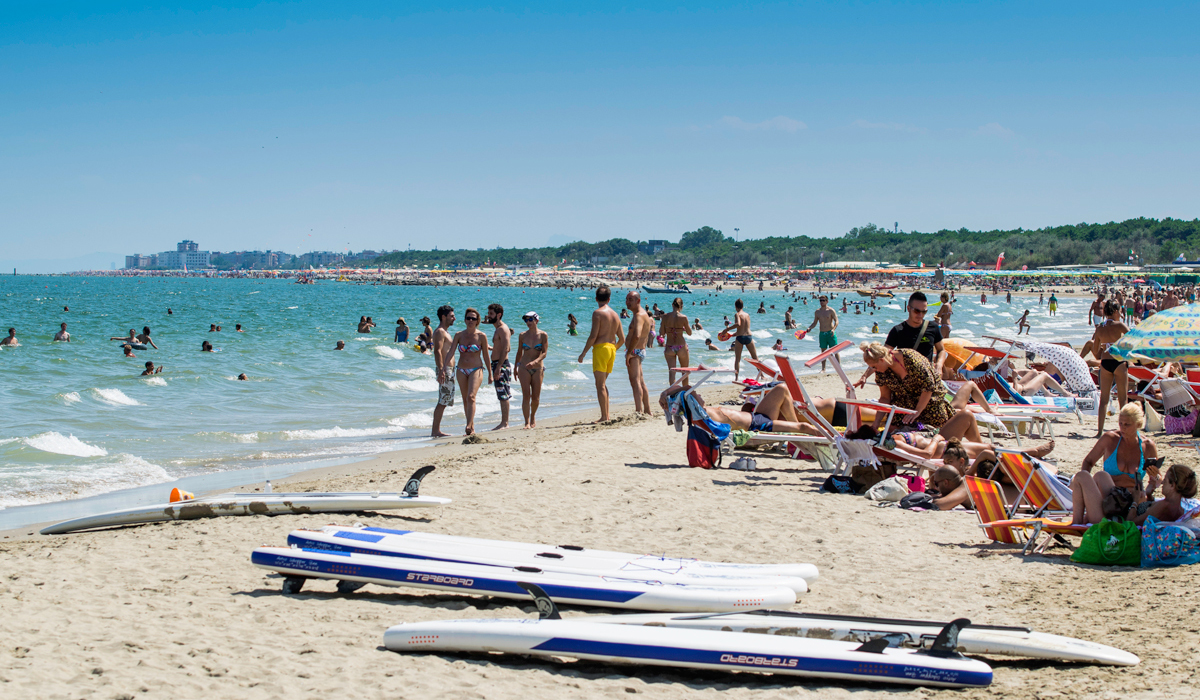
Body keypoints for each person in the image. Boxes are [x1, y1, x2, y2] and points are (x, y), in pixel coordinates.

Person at [1071, 404, 1161, 525]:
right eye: (1120, 423)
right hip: (1109, 502)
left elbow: (1158, 480)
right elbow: (1088, 461)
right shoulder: (1110, 439)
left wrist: (1155, 479)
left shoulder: (1147, 446)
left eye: (1127, 424)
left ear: (1138, 425)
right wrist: (1089, 492)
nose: (1122, 428)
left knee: (1100, 476)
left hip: (1131, 505)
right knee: (1092, 476)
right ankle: (1077, 524)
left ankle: (1079, 523)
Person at [658, 381, 823, 436]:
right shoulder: (705, 414)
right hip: (757, 425)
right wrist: (666, 393)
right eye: (697, 397)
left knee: (782, 388)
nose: (700, 396)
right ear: (692, 402)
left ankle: (795, 436)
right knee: (804, 427)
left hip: (756, 416)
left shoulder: (703, 415)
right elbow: (687, 386)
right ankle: (801, 435)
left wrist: (666, 394)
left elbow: (686, 389)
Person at [860, 341, 954, 429]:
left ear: (881, 360)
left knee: (934, 431)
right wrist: (876, 422)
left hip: (929, 400)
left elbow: (928, 388)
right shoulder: (882, 371)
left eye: (874, 367)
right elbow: (885, 398)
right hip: (903, 403)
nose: (874, 370)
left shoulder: (911, 359)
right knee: (892, 432)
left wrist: (916, 412)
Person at [577, 285, 625, 423]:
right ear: (609, 299)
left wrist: (583, 353)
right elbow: (622, 339)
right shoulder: (616, 315)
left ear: (596, 298)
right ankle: (606, 415)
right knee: (603, 384)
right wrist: (613, 349)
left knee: (600, 385)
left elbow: (593, 336)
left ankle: (604, 416)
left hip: (601, 349)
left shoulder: (597, 313)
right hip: (612, 349)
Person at [1091, 299, 1130, 435]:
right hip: (1119, 362)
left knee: (1104, 400)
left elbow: (1096, 350)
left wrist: (1105, 345)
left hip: (1105, 363)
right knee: (1122, 399)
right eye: (1119, 310)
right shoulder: (1120, 325)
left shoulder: (1100, 327)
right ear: (1114, 311)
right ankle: (1124, 430)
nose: (1120, 313)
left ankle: (1099, 431)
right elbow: (1133, 340)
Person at [451, 308, 493, 436]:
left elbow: (486, 356)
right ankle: (472, 427)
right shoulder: (459, 335)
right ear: (464, 320)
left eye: (473, 318)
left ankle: (468, 425)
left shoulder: (481, 336)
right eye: (468, 318)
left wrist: (490, 374)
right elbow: (451, 352)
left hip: (476, 369)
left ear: (477, 321)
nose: (470, 320)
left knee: (471, 396)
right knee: (465, 399)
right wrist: (443, 368)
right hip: (461, 369)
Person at [514, 312, 548, 429]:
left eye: (530, 320)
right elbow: (519, 352)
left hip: (538, 368)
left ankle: (533, 416)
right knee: (526, 396)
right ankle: (526, 422)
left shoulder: (543, 335)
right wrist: (515, 367)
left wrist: (534, 362)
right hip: (523, 367)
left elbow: (544, 353)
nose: (528, 322)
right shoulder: (522, 335)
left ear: (536, 320)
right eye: (526, 320)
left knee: (535, 397)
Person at [624, 291, 653, 416]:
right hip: (640, 350)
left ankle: (638, 411)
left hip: (635, 351)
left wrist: (629, 352)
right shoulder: (643, 314)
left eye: (631, 299)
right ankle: (647, 410)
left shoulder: (638, 315)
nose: (627, 302)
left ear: (638, 301)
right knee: (640, 382)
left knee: (635, 382)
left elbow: (637, 335)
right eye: (627, 299)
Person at [431, 305, 456, 438]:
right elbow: (437, 351)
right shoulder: (440, 331)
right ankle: (435, 431)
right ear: (443, 317)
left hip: (449, 369)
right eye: (451, 316)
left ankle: (436, 430)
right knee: (442, 400)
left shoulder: (446, 331)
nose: (454, 318)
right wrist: (441, 370)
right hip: (445, 369)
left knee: (445, 400)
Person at [485, 304, 512, 430]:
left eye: (491, 314)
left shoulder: (502, 329)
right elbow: (505, 347)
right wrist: (492, 348)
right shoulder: (498, 328)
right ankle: (504, 422)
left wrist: (498, 368)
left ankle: (505, 423)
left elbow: (506, 349)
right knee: (501, 393)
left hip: (501, 364)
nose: (488, 316)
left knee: (503, 394)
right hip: (498, 364)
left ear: (498, 315)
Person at [719, 299, 758, 381]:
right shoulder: (747, 315)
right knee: (755, 358)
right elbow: (744, 328)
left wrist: (727, 330)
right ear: (743, 306)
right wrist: (733, 334)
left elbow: (738, 324)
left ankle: (736, 378)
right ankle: (761, 376)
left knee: (737, 359)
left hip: (740, 338)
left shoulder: (737, 314)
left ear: (735, 306)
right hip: (749, 337)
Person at [660, 297, 692, 387]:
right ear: (681, 306)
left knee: (672, 372)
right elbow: (690, 333)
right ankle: (685, 394)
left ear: (672, 305)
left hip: (670, 346)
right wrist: (683, 328)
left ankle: (673, 394)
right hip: (681, 346)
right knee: (685, 372)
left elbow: (662, 333)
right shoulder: (683, 317)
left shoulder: (665, 317)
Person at [803, 296, 839, 371]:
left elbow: (836, 321)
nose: (821, 302)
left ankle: (839, 367)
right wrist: (809, 328)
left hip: (830, 333)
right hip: (822, 333)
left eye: (823, 300)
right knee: (823, 352)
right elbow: (814, 323)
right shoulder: (817, 312)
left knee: (835, 350)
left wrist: (833, 329)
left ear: (827, 301)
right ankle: (823, 369)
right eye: (820, 300)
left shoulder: (831, 310)